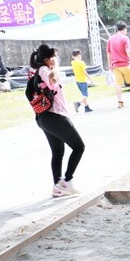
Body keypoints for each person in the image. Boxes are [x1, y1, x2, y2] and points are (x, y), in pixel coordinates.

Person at [29, 44, 85, 198]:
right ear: (48, 58)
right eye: (54, 56)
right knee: (79, 147)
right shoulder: (44, 69)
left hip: (45, 118)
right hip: (54, 116)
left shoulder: (39, 69)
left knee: (58, 151)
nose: (56, 58)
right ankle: (66, 182)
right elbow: (52, 80)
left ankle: (57, 187)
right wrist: (56, 66)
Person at [106, 21, 130, 108]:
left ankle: (120, 102)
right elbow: (128, 51)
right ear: (124, 29)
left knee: (118, 84)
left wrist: (110, 64)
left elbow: (108, 53)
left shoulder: (110, 39)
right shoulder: (125, 38)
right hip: (125, 64)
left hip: (115, 65)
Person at [70, 49, 93, 114]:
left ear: (73, 56)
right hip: (83, 80)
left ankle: (86, 107)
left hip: (77, 81)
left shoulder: (73, 62)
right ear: (79, 55)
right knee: (85, 95)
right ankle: (78, 103)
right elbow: (85, 72)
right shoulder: (81, 63)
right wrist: (90, 79)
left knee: (83, 94)